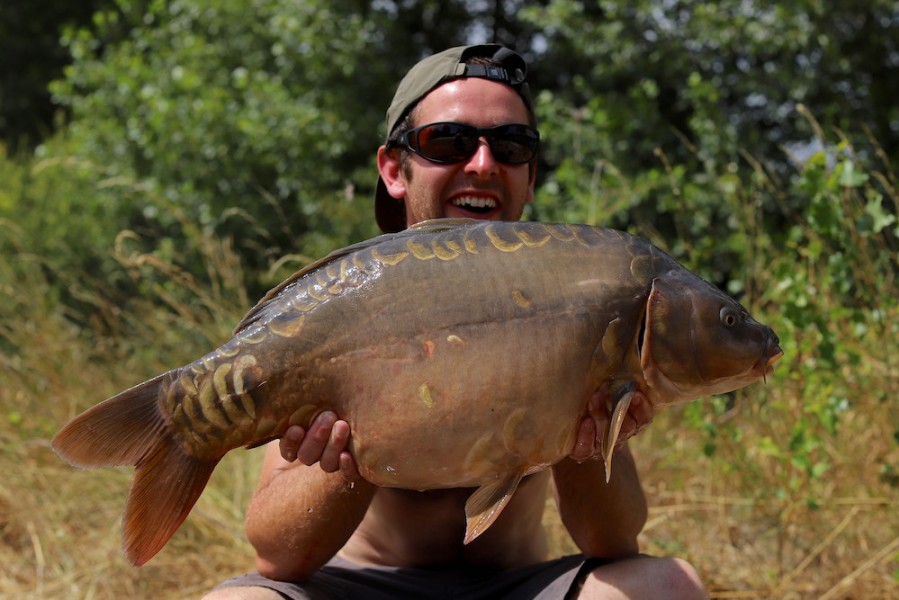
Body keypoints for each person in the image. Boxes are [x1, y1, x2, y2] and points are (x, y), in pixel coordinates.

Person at [205, 44, 707, 600]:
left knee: (667, 586)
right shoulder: (344, 302)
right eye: (448, 141)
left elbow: (613, 541)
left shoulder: (575, 296)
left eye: (512, 146)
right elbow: (274, 554)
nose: (484, 164)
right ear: (394, 169)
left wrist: (588, 440)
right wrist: (351, 455)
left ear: (531, 176)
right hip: (363, 586)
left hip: (516, 585)